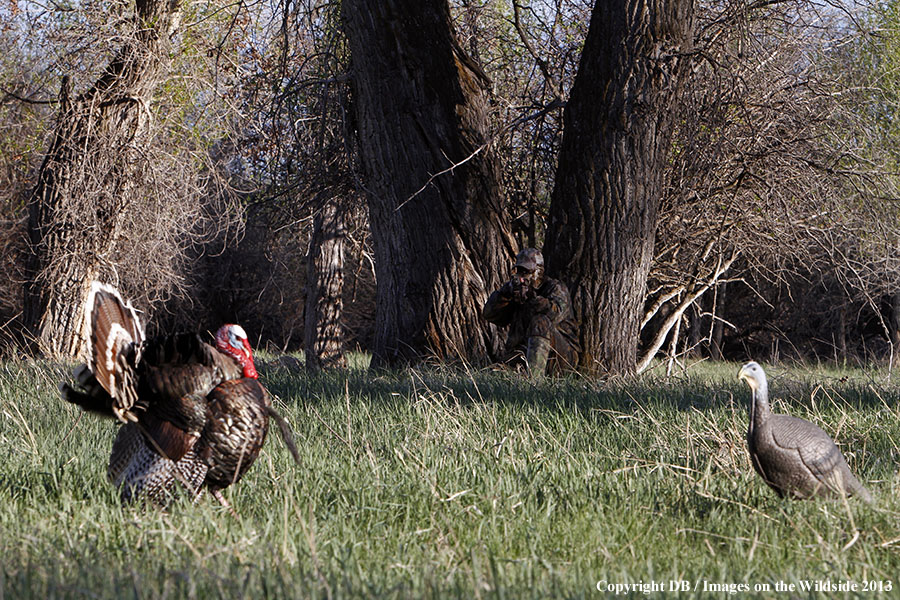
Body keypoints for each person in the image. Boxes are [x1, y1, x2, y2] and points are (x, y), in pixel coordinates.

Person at [483, 248, 579, 376]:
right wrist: (505, 295)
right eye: (519, 271)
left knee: (540, 322)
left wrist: (533, 299)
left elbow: (555, 314)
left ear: (538, 271)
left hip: (561, 358)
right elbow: (489, 315)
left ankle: (534, 384)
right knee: (496, 374)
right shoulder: (516, 293)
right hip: (524, 354)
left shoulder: (554, 288)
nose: (522, 276)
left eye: (526, 271)